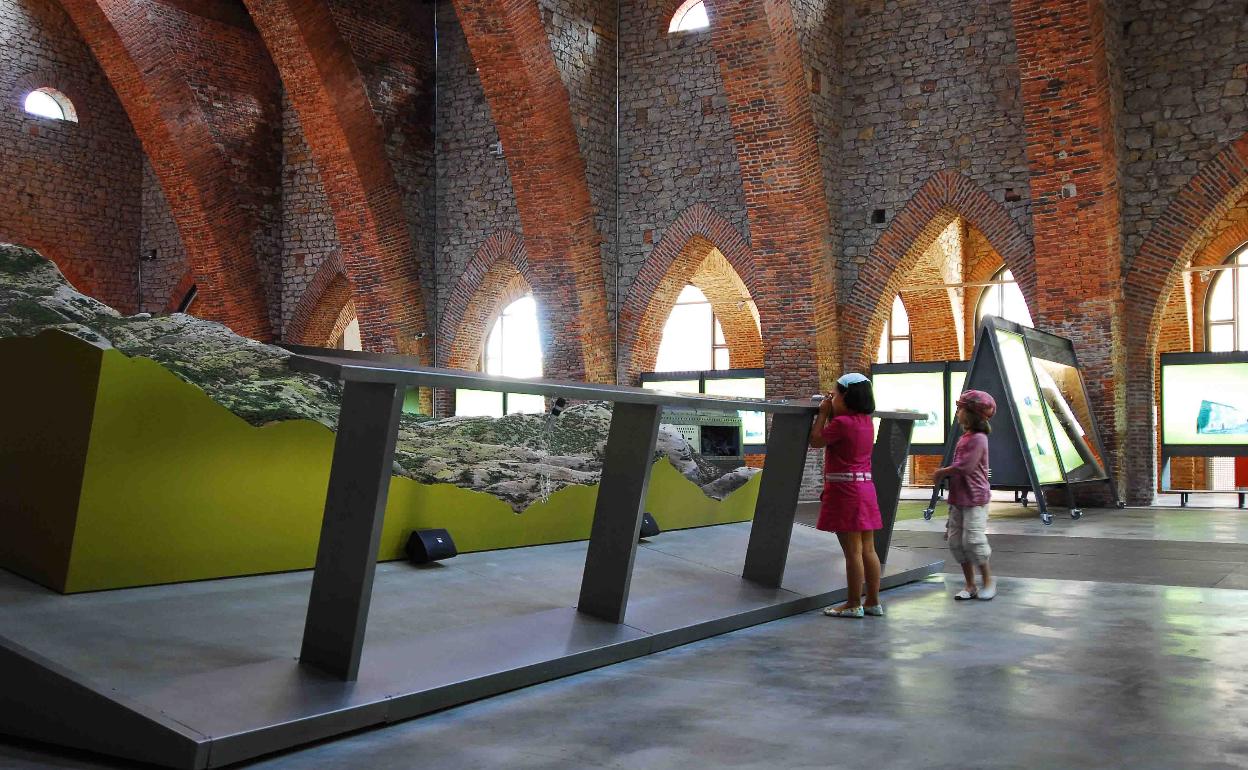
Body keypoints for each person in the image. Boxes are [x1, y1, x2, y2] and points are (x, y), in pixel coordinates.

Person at [810, 372, 882, 618]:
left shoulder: (841, 424)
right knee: (868, 549)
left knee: (852, 552)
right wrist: (832, 410)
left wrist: (822, 412)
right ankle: (872, 600)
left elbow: (817, 440)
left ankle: (853, 603)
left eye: (836, 393)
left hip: (846, 491)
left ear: (845, 396)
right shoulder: (865, 422)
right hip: (865, 489)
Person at [934, 390, 997, 601]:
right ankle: (970, 584)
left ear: (971, 413)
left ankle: (988, 581)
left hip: (975, 498)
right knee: (956, 542)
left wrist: (943, 472)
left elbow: (967, 467)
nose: (958, 412)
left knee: (974, 540)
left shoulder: (979, 438)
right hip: (959, 497)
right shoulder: (966, 437)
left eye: (960, 408)